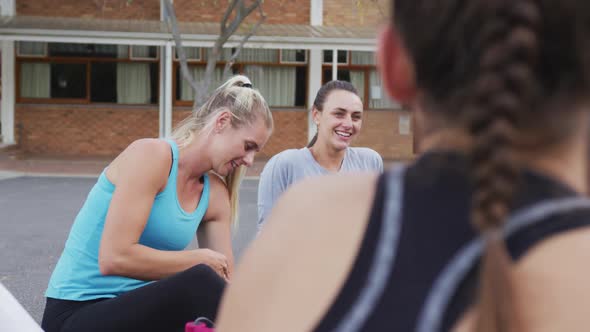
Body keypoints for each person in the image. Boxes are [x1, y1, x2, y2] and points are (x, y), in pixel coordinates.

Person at [216, 1, 590, 331]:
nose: (348, 122)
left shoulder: (302, 223)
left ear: (393, 64)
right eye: (339, 113)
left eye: (355, 114)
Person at [41, 75, 273, 332]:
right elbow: (113, 258)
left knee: (216, 292)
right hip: (77, 314)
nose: (250, 161)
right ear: (222, 121)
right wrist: (199, 259)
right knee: (200, 279)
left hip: (140, 314)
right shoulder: (152, 156)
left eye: (256, 152)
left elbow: (224, 285)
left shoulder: (216, 195)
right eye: (248, 146)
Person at [257, 80, 383, 231]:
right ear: (316, 115)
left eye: (356, 117)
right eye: (339, 114)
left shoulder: (370, 163)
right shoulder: (284, 166)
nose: (349, 124)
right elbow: (267, 236)